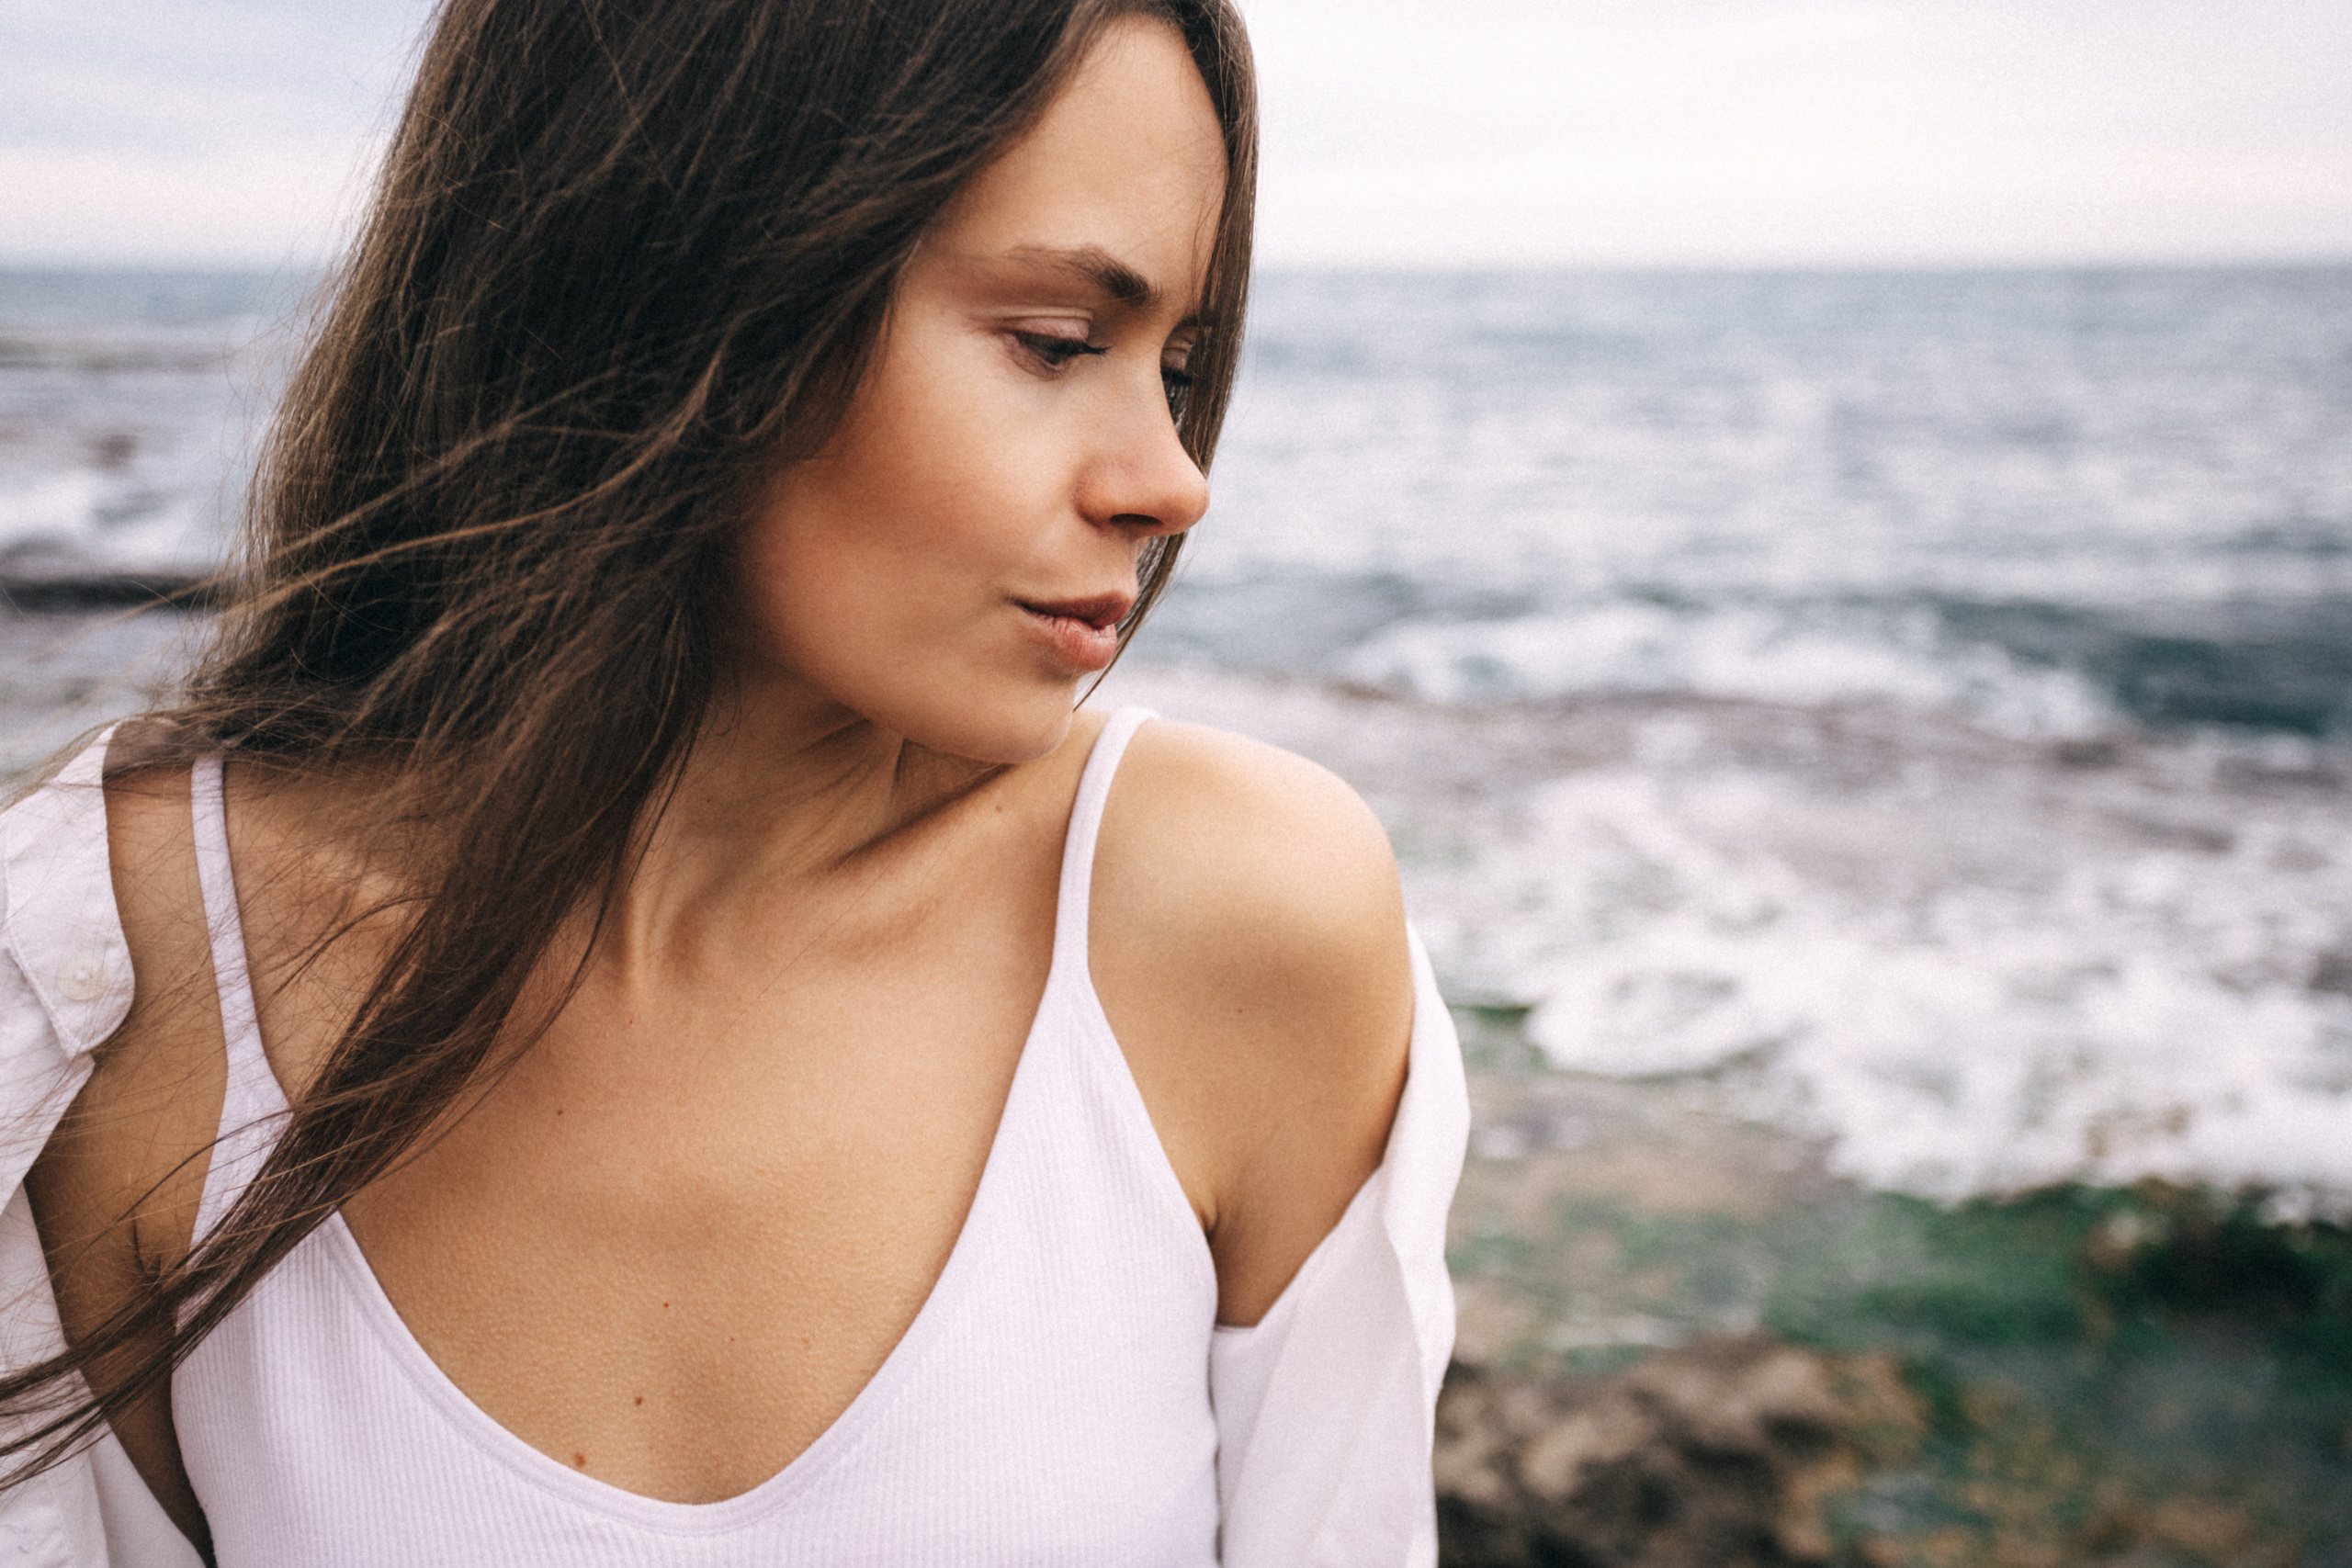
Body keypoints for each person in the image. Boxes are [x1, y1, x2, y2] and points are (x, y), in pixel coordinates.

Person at [0, 0, 1467, 1562]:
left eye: (1177, 366)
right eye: (1054, 344)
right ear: (673, 275)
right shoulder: (118, 971)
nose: (1172, 479)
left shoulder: (1223, 918)